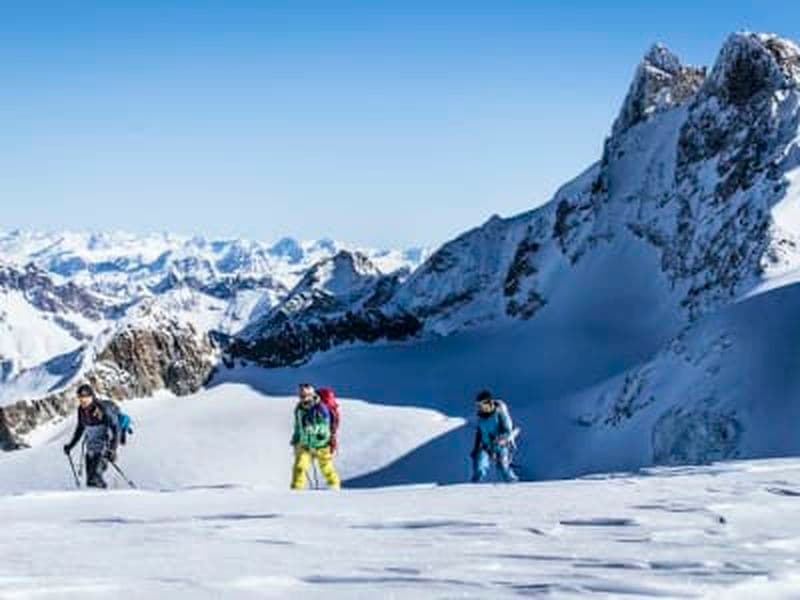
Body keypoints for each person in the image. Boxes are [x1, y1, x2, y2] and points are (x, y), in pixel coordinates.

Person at [63, 384, 121, 489]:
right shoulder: (81, 410)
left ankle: (108, 498)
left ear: (91, 396)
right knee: (90, 481)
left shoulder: (102, 409)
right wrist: (70, 446)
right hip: (91, 449)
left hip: (104, 448)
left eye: (85, 398)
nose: (82, 401)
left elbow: (116, 428)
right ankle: (100, 500)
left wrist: (112, 450)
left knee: (96, 477)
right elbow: (80, 429)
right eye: (80, 398)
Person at [290, 383, 341, 490]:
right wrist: (295, 439)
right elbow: (298, 426)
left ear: (311, 394)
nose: (302, 397)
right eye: (301, 395)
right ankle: (295, 490)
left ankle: (334, 488)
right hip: (304, 444)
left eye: (305, 395)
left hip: (321, 444)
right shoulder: (299, 409)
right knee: (299, 467)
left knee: (326, 468)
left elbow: (325, 427)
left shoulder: (321, 408)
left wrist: (313, 429)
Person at [470, 390, 519, 483]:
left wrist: (500, 439)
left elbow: (508, 430)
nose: (479, 407)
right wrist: (475, 448)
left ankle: (513, 484)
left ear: (489, 403)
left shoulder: (499, 413)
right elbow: (479, 432)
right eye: (478, 405)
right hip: (486, 446)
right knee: (479, 467)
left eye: (481, 405)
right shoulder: (480, 417)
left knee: (503, 467)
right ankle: (475, 487)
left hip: (501, 445)